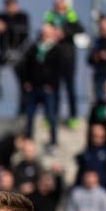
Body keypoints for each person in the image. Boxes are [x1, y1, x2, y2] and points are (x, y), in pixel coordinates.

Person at [42, 0, 84, 127]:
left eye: (61, 3)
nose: (59, 6)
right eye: (57, 3)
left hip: (68, 59)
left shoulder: (70, 15)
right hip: (53, 59)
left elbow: (79, 28)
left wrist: (64, 32)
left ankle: (73, 117)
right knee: (54, 90)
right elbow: (44, 29)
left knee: (70, 89)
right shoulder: (50, 16)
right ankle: (52, 116)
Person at [21, 23, 62, 151]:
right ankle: (28, 140)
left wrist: (52, 85)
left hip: (48, 89)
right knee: (29, 115)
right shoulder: (33, 48)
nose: (44, 34)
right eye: (43, 31)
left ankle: (53, 141)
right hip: (33, 88)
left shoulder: (56, 50)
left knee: (50, 116)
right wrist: (27, 82)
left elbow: (59, 71)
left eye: (47, 32)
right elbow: (26, 66)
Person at [76, 123, 106, 198]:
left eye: (101, 137)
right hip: (87, 192)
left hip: (105, 193)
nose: (98, 139)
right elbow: (81, 173)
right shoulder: (86, 153)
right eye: (95, 136)